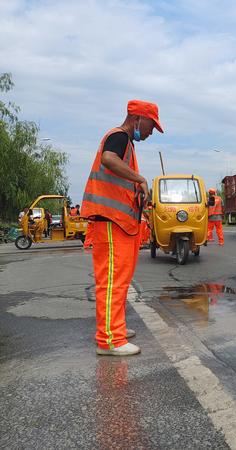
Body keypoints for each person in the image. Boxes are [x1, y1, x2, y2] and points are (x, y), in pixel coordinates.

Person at [81, 99, 163, 356]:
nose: (151, 132)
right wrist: (139, 178)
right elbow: (108, 158)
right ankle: (109, 339)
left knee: (120, 281)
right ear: (137, 118)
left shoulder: (126, 143)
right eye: (151, 126)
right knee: (112, 281)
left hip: (119, 222)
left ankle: (115, 327)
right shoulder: (119, 137)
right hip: (111, 221)